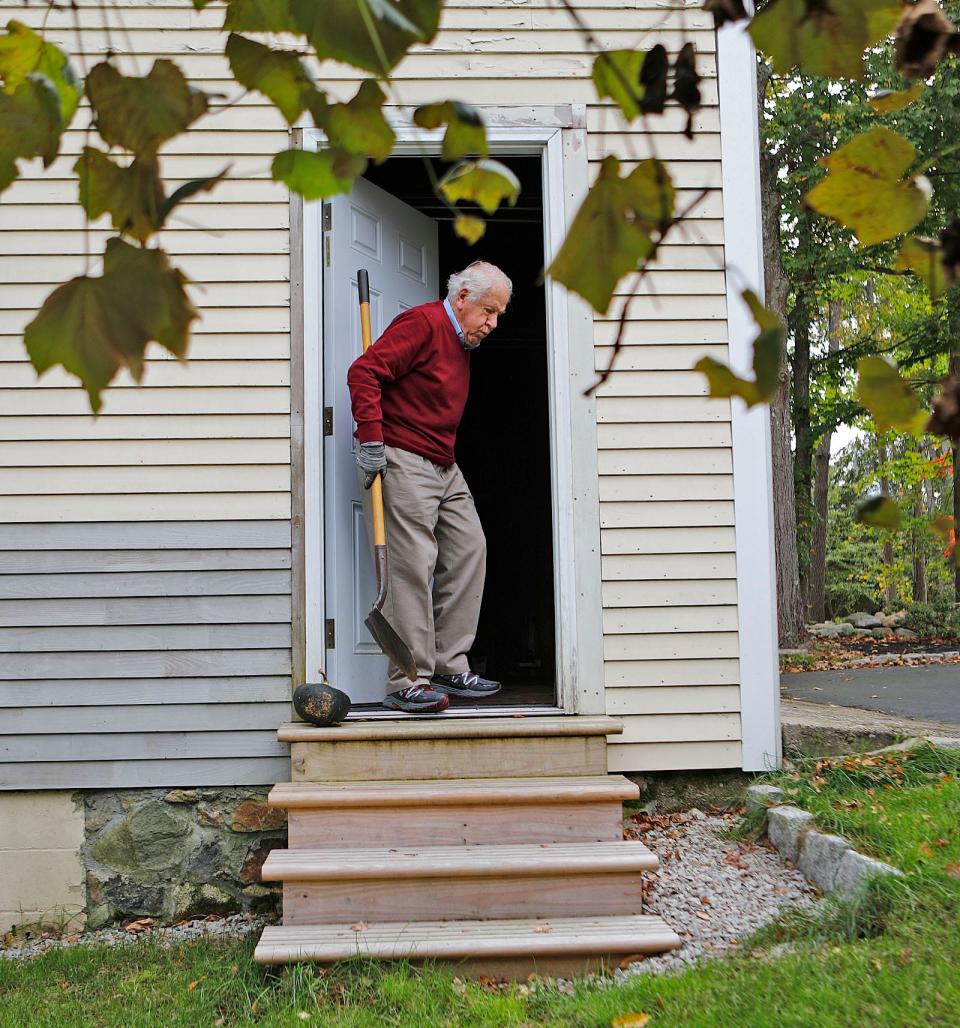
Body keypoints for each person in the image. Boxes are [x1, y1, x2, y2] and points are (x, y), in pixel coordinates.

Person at [347, 260, 512, 713]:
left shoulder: (461, 342)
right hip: (402, 455)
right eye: (488, 311)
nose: (493, 324)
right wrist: (372, 439)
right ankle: (407, 680)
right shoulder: (422, 323)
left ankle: (448, 663)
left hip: (443, 463)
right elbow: (363, 373)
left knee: (468, 549)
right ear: (462, 299)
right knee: (410, 566)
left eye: (498, 314)